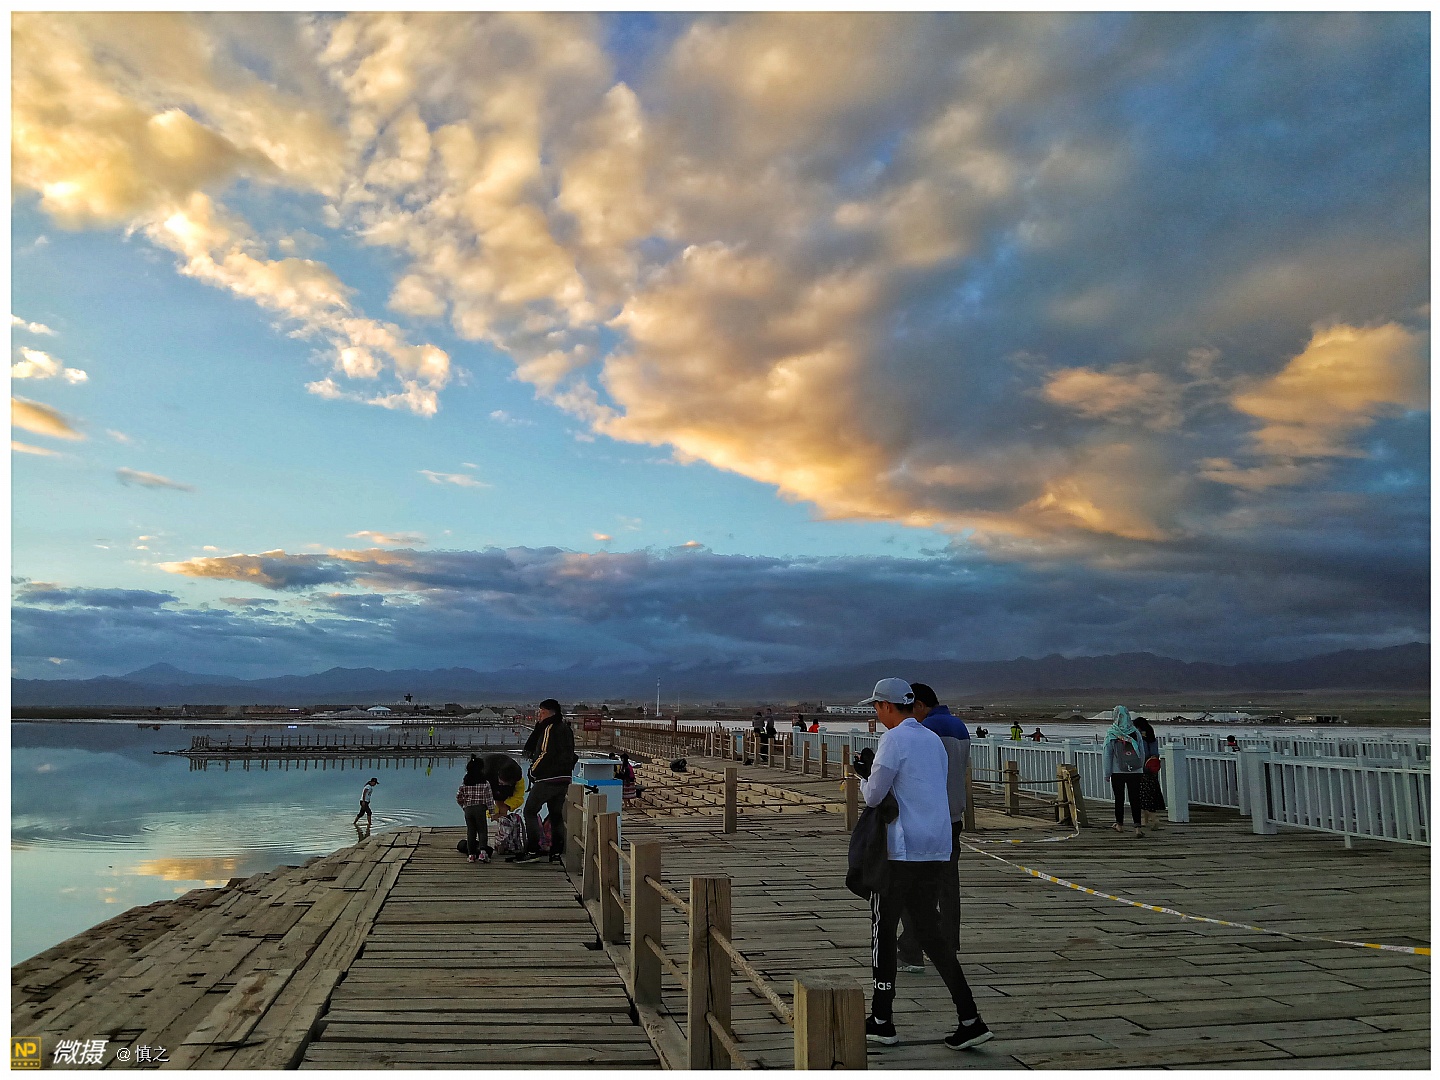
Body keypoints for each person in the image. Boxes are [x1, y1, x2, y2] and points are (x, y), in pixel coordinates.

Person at [854, 678, 992, 1051]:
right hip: (936, 846)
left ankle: (881, 1019)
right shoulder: (931, 739)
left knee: (883, 929)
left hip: (901, 850)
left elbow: (874, 796)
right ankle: (969, 1018)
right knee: (930, 932)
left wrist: (862, 774)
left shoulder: (893, 740)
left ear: (886, 706)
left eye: (876, 707)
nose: (877, 713)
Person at [895, 682, 970, 974]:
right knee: (948, 886)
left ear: (919, 705)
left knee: (912, 885)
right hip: (954, 815)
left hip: (929, 817)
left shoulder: (928, 730)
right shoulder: (960, 726)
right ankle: (947, 946)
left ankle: (911, 949)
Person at [512, 698, 578, 864]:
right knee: (556, 815)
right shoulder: (566, 728)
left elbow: (545, 753)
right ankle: (556, 852)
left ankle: (533, 850)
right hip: (564, 778)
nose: (539, 716)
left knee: (530, 811)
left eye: (541, 712)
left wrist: (533, 771)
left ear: (550, 713)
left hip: (548, 778)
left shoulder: (550, 728)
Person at [1104, 706, 1147, 837]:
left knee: (1119, 798)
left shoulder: (1112, 733)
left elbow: (1107, 755)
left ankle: (1120, 824)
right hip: (1135, 772)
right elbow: (1142, 752)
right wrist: (1140, 767)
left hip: (1117, 772)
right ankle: (1137, 827)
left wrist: (1107, 773)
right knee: (1135, 799)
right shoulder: (1135, 732)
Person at [456, 757, 496, 862]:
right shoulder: (485, 783)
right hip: (480, 809)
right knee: (482, 831)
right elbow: (489, 799)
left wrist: (464, 806)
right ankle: (482, 853)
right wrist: (492, 812)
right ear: (481, 769)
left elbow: (459, 797)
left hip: (468, 810)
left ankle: (471, 855)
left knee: (471, 832)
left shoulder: (465, 782)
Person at [1134, 718, 1166, 829]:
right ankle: (1145, 820)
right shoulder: (1152, 738)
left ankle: (1155, 820)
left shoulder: (1139, 739)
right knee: (1149, 795)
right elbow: (1155, 753)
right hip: (1152, 770)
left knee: (1143, 796)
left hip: (1142, 769)